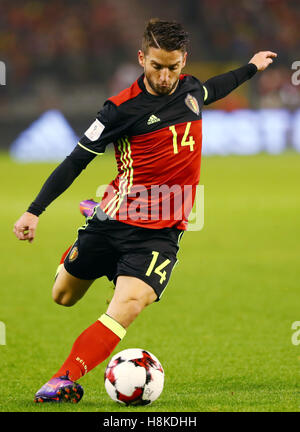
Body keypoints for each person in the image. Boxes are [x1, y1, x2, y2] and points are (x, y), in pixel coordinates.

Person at [13, 18, 277, 403]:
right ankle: (89, 222)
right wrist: (34, 211)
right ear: (142, 58)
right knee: (63, 296)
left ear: (183, 60)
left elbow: (215, 88)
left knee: (131, 303)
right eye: (157, 66)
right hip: (113, 219)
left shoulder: (190, 89)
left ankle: (62, 378)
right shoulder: (119, 110)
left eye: (173, 67)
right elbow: (74, 161)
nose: (166, 76)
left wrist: (252, 66)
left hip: (161, 232)